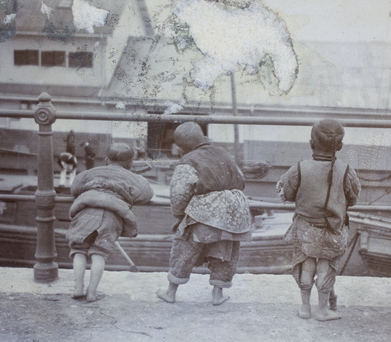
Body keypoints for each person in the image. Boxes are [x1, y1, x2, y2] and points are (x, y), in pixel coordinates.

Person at [157, 122, 252, 306]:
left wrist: (179, 216)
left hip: (205, 211)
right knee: (225, 251)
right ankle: (218, 294)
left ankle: (170, 292)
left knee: (185, 247)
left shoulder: (187, 161)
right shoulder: (225, 153)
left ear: (181, 145)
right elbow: (240, 179)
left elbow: (179, 193)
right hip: (233, 212)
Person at [277, 119, 361, 321]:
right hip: (333, 230)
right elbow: (354, 198)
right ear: (339, 145)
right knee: (325, 268)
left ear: (311, 143)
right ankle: (323, 310)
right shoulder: (346, 170)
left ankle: (305, 309)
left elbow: (285, 194)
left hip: (305, 230)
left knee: (305, 266)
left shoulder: (299, 168)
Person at [66, 143, 154, 302]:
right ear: (130, 163)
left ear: (106, 160)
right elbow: (147, 194)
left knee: (79, 249)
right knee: (99, 252)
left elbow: (74, 189)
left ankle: (77, 288)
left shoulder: (88, 173)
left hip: (86, 211)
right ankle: (92, 292)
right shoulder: (134, 178)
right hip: (112, 215)